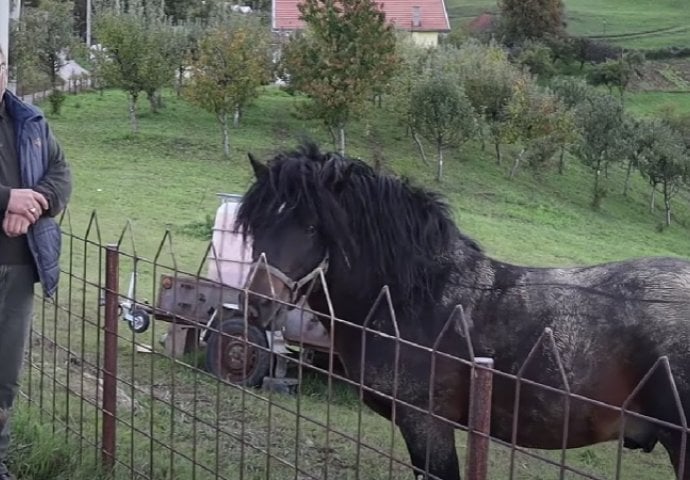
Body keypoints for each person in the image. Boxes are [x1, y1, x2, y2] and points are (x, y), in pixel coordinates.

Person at [0, 46, 72, 479]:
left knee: (4, 378)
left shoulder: (29, 121)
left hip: (19, 271)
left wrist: (35, 201)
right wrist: (9, 198)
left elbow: (62, 173)